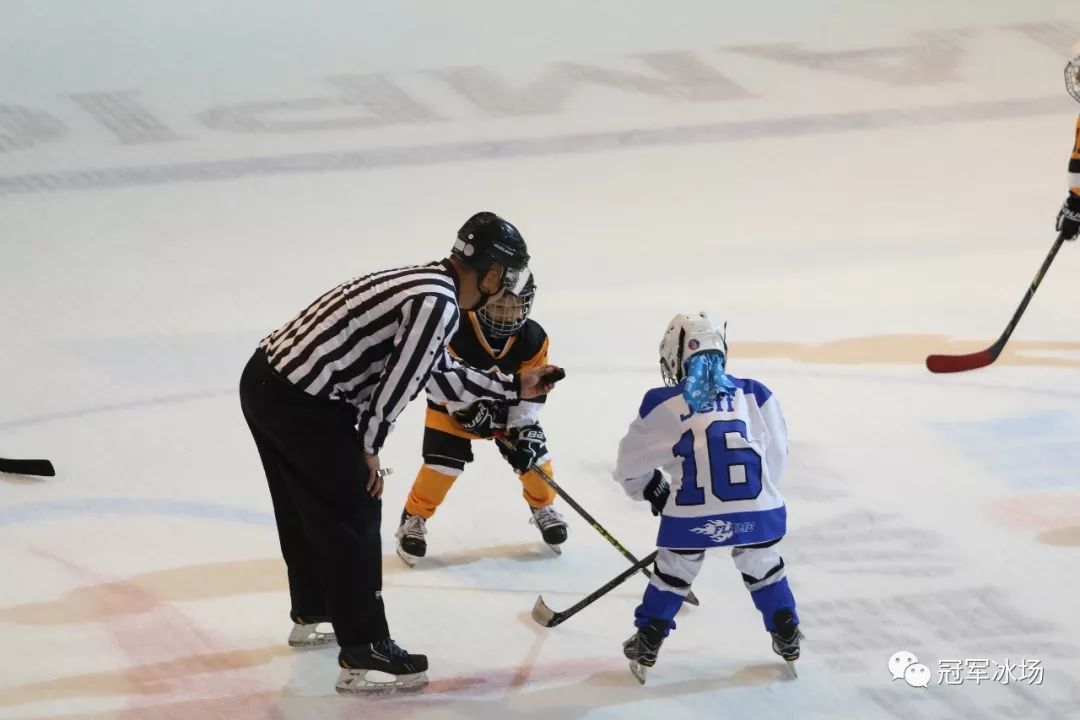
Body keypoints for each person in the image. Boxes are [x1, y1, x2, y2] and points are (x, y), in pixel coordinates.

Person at [239, 211, 561, 694]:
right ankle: (365, 650)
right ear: (492, 272)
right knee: (355, 508)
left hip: (268, 381)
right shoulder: (440, 306)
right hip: (305, 402)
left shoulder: (428, 284)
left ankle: (315, 612)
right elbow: (398, 387)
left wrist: (513, 385)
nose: (505, 289)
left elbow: (436, 373)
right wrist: (369, 449)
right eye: (506, 276)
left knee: (305, 505)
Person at [611, 312, 801, 684]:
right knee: (762, 562)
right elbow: (777, 452)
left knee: (673, 572)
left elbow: (628, 467)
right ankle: (786, 628)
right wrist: (757, 494)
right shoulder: (756, 393)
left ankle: (648, 638)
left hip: (692, 518)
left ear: (675, 356)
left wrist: (650, 488)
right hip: (758, 508)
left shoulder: (661, 402)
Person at [395, 271, 568, 567]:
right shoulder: (457, 326)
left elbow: (533, 394)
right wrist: (463, 410)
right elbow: (440, 377)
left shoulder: (534, 338)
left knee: (535, 458)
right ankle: (414, 517)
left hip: (508, 405)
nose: (506, 314)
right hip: (451, 405)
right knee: (441, 466)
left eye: (514, 307)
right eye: (500, 305)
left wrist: (521, 430)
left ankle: (544, 507)